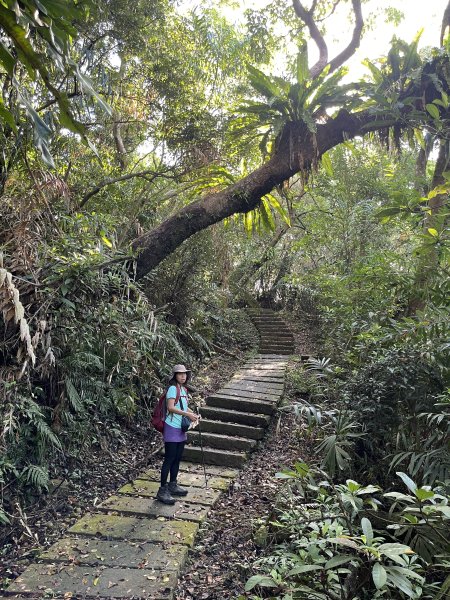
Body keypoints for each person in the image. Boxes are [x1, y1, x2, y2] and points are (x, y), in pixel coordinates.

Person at [156, 364, 199, 505]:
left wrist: (192, 414)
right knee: (169, 458)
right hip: (172, 427)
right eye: (180, 374)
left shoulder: (183, 389)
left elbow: (182, 406)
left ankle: (173, 484)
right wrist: (187, 414)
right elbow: (170, 407)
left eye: (185, 374)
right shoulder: (173, 388)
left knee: (177, 457)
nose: (183, 376)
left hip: (180, 428)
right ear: (174, 375)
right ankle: (162, 490)